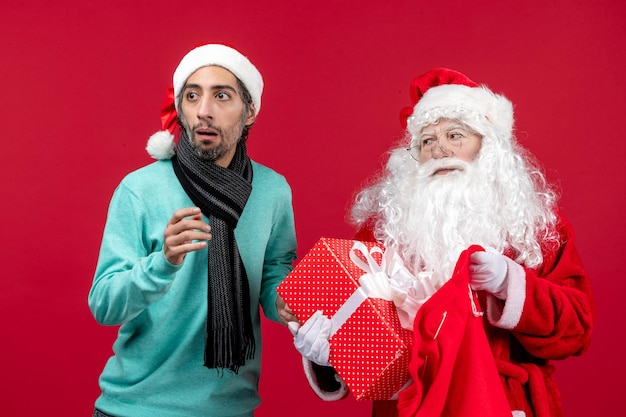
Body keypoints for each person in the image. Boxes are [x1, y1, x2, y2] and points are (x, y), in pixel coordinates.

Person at [287, 68, 594, 416]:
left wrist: (512, 283)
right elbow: (363, 338)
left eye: (454, 135)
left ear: (488, 146)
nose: (439, 150)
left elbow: (577, 328)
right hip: (408, 406)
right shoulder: (383, 231)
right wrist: (329, 358)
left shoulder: (535, 226)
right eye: (427, 141)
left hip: (503, 403)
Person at [88, 44, 297, 417]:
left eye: (221, 96)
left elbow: (274, 270)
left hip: (230, 407)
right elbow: (105, 304)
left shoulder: (272, 190)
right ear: (181, 109)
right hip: (136, 407)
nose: (204, 111)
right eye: (192, 95)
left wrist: (282, 300)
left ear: (249, 111)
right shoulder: (140, 189)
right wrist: (163, 262)